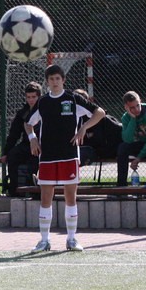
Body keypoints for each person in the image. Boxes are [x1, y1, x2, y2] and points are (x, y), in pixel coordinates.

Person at [25, 64, 105, 253]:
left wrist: (84, 128)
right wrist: (32, 138)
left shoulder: (73, 99)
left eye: (57, 79)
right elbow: (28, 123)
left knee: (70, 197)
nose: (54, 82)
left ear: (63, 80)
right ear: (47, 82)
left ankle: (71, 239)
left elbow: (100, 112)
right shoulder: (43, 102)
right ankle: (44, 240)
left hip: (69, 155)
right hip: (47, 156)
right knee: (46, 197)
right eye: (51, 79)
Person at [1, 82, 41, 196]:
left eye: (34, 97)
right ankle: (14, 189)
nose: (31, 100)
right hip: (26, 145)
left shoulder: (45, 111)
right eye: (28, 97)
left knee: (34, 162)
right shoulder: (22, 113)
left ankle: (35, 191)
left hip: (41, 146)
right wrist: (6, 152)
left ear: (39, 96)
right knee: (13, 155)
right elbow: (14, 134)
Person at [72, 89, 122, 166]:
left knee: (77, 155)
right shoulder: (72, 118)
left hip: (94, 151)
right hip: (79, 148)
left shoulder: (100, 118)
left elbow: (119, 129)